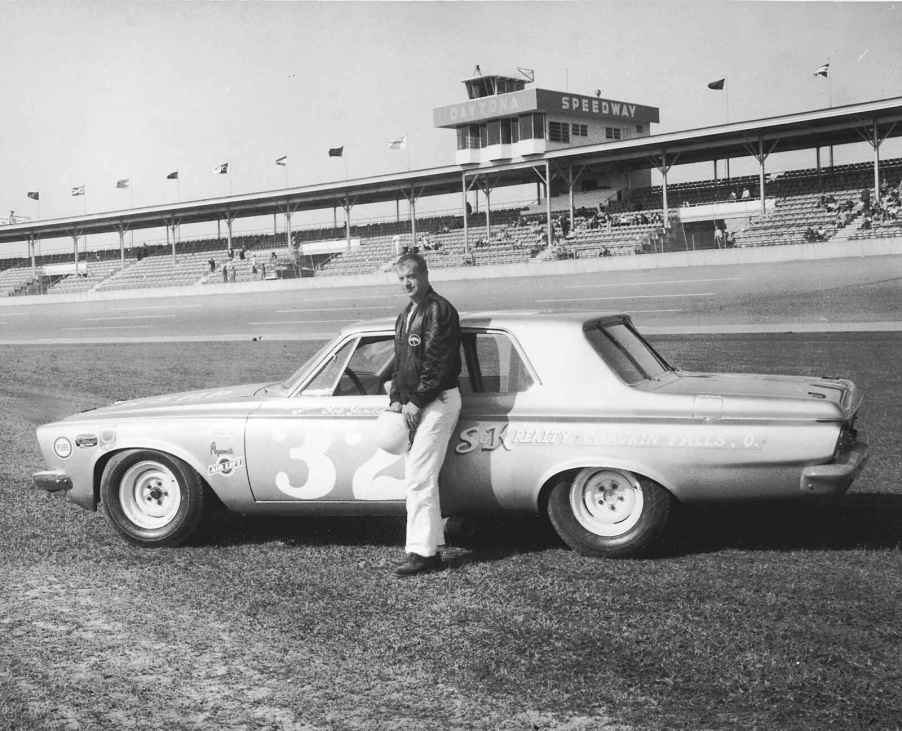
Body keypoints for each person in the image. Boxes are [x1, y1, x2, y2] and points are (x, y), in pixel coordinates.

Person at [388, 253, 462, 576]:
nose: (407, 283)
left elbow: (437, 363)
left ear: (426, 274)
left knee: (419, 476)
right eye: (402, 278)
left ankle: (423, 553)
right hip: (417, 403)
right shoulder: (406, 314)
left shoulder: (439, 310)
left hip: (438, 400)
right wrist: (396, 398)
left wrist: (416, 400)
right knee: (418, 476)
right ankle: (428, 545)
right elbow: (400, 363)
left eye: (412, 276)